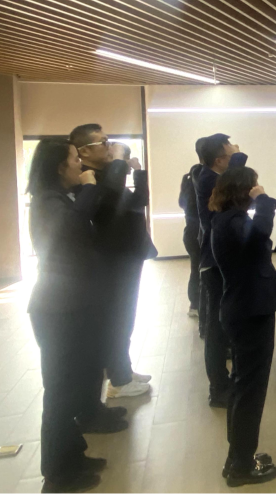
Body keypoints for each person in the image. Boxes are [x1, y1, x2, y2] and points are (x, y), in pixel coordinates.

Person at [26, 139, 128, 492]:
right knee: (59, 391)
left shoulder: (60, 198)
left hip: (74, 304)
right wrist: (87, 188)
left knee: (77, 381)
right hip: (58, 309)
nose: (80, 166)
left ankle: (72, 455)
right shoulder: (47, 201)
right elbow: (71, 227)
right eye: (74, 160)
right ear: (59, 167)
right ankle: (57, 474)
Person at [70, 125, 155, 402]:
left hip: (127, 255)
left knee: (125, 318)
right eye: (103, 142)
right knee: (117, 319)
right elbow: (107, 203)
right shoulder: (88, 179)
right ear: (84, 152)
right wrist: (118, 161)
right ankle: (118, 381)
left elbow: (138, 202)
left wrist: (138, 172)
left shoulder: (109, 176)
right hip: (112, 260)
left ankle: (123, 370)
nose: (110, 146)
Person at [209, 167, 276, 487]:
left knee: (243, 386)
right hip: (250, 312)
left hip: (245, 308)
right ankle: (241, 465)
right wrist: (263, 201)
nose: (257, 188)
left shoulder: (228, 219)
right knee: (251, 390)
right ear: (243, 190)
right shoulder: (233, 222)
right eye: (253, 185)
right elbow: (258, 238)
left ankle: (239, 455)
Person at [196, 133, 246, 407]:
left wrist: (234, 155)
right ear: (219, 160)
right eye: (230, 151)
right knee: (216, 328)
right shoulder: (209, 179)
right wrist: (239, 157)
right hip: (215, 262)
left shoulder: (211, 176)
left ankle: (224, 382)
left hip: (221, 259)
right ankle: (218, 388)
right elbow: (237, 183)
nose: (235, 151)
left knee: (223, 323)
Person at [179, 137, 206, 325]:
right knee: (200, 270)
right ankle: (199, 305)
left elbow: (182, 202)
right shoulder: (204, 178)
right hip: (198, 233)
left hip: (190, 231)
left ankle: (195, 305)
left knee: (196, 268)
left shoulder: (189, 176)